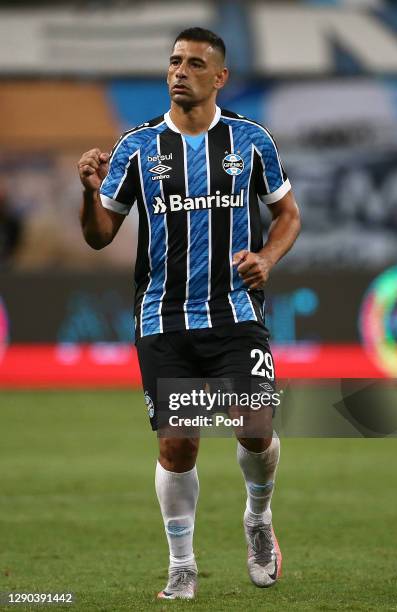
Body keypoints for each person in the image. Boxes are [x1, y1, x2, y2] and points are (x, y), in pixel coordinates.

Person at [77, 27, 300, 600]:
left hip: (236, 314)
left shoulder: (251, 141)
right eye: (174, 61)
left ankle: (257, 520)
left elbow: (288, 216)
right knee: (179, 446)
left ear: (219, 77)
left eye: (195, 63)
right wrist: (89, 191)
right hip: (162, 320)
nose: (180, 71)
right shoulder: (136, 147)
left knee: (255, 427)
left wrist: (268, 258)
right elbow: (101, 235)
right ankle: (182, 566)